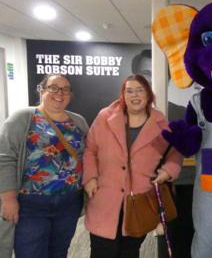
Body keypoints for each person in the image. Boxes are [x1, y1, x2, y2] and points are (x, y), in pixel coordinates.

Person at [82, 74, 183, 258]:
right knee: (102, 251)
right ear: (123, 94)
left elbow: (175, 153)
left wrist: (167, 171)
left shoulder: (161, 124)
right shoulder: (105, 117)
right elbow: (90, 149)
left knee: (130, 251)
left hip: (140, 202)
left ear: (148, 95)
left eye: (140, 90)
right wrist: (90, 178)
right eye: (129, 91)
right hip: (105, 199)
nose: (134, 95)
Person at [0, 74, 89, 258]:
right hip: (31, 204)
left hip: (69, 202)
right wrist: (8, 199)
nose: (60, 93)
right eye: (53, 87)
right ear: (42, 90)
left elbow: (88, 155)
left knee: (59, 252)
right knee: (30, 253)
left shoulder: (78, 121)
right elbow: (5, 158)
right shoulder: (22, 118)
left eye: (65, 89)